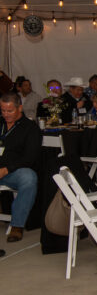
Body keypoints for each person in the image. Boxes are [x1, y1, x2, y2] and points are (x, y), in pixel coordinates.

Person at [0, 93, 41, 242]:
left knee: (29, 178)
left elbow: (29, 158)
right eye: (3, 110)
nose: (5, 114)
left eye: (9, 111)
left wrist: (6, 169)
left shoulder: (30, 128)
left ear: (20, 108)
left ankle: (17, 225)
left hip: (13, 172)